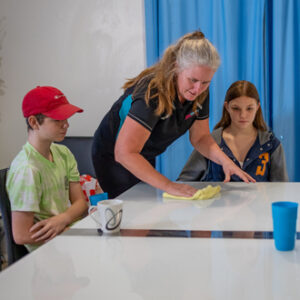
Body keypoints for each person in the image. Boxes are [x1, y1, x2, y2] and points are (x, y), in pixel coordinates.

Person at [92, 31, 255, 199]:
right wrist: (170, 186)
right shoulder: (152, 93)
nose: (198, 89)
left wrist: (225, 162)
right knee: (132, 212)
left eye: (205, 82)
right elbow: (125, 153)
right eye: (192, 80)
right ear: (177, 67)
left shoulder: (199, 93)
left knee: (147, 211)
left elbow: (200, 138)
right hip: (113, 154)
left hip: (142, 153)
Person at [6, 86, 89, 252]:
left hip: (70, 235)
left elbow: (80, 203)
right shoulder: (27, 169)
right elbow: (21, 235)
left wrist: (63, 219)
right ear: (34, 122)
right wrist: (68, 231)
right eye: (57, 120)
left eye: (66, 118)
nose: (66, 124)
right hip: (48, 252)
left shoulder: (63, 153)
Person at [178, 80, 289, 182]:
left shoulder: (271, 145)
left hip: (260, 204)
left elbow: (281, 189)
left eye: (249, 108)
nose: (243, 115)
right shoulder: (209, 143)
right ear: (227, 107)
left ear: (257, 107)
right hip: (217, 204)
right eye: (236, 108)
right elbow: (184, 182)